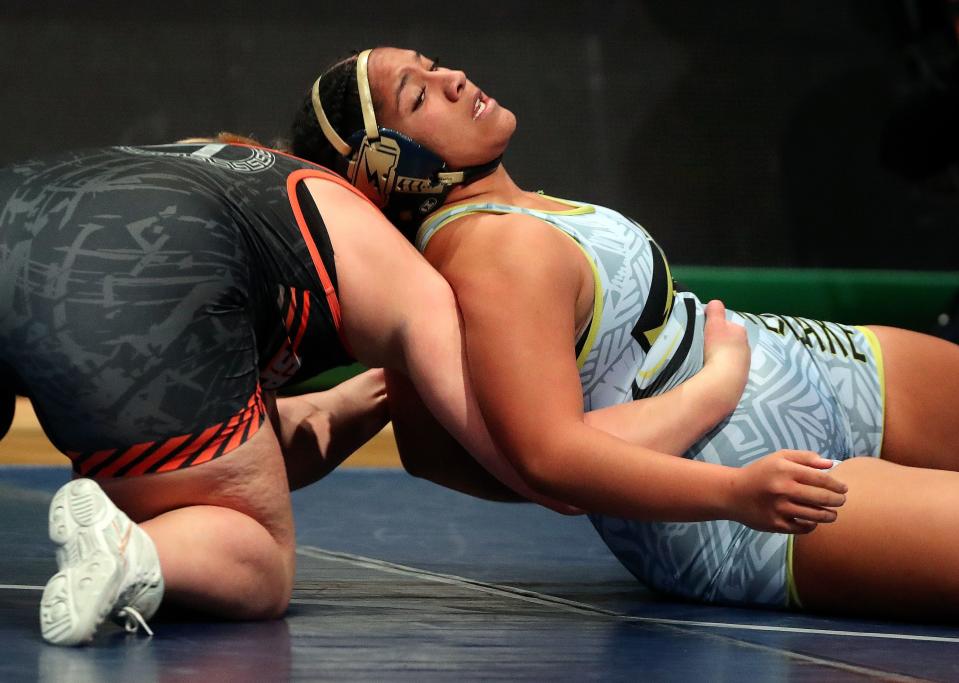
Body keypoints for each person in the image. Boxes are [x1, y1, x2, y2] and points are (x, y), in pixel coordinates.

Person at [288, 47, 959, 620]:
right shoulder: (488, 251)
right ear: (382, 165)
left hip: (804, 367)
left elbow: (433, 449)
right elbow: (548, 460)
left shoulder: (478, 233)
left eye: (434, 67)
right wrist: (720, 439)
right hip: (733, 491)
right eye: (418, 94)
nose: (454, 78)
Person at [0, 136, 755, 645]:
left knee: (201, 461)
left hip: (27, 201)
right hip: (136, 268)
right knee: (256, 559)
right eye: (415, 94)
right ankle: (133, 547)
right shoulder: (416, 285)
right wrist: (713, 388)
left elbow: (268, 435)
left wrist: (379, 394)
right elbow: (547, 466)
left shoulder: (244, 163)